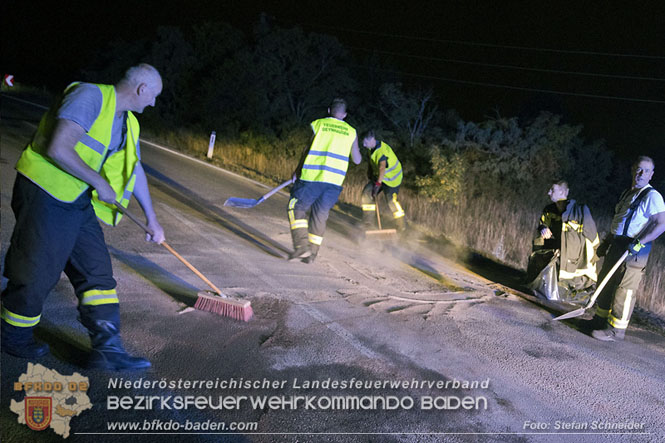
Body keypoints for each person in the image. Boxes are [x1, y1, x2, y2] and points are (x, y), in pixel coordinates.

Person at [1, 64, 165, 370]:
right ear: (142, 89)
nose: (153, 103)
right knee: (37, 270)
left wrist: (151, 217)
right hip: (44, 192)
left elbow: (135, 170)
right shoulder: (89, 96)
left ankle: (108, 349)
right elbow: (59, 147)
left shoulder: (129, 124)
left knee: (97, 270)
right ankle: (12, 335)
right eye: (154, 96)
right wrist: (99, 182)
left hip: (76, 199)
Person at [590, 156, 665, 341]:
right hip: (617, 243)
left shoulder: (652, 196)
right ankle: (599, 320)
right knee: (605, 281)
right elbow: (619, 221)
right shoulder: (627, 194)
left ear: (651, 175)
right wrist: (607, 242)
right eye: (638, 169)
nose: (641, 174)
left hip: (635, 248)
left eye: (646, 171)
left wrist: (640, 242)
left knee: (625, 289)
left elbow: (661, 224)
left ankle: (616, 330)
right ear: (632, 169)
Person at [287, 98, 361, 263]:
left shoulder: (319, 124)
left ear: (329, 111)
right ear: (345, 114)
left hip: (312, 178)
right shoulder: (351, 132)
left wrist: (297, 170)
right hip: (334, 183)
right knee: (320, 215)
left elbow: (307, 149)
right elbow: (356, 160)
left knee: (295, 206)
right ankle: (312, 254)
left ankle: (301, 247)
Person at [527, 181, 599, 302]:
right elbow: (542, 224)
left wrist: (592, 261)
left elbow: (593, 239)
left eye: (552, 190)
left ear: (562, 192)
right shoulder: (549, 210)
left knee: (564, 295)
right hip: (556, 256)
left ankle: (580, 290)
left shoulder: (580, 211)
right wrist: (543, 228)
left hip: (574, 263)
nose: (548, 192)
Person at [360, 131, 406, 232]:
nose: (363, 145)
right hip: (380, 177)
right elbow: (372, 161)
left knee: (391, 201)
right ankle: (368, 223)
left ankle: (401, 226)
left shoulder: (382, 151)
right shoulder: (371, 148)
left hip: (392, 179)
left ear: (372, 140)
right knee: (367, 193)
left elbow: (382, 168)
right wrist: (370, 171)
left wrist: (377, 185)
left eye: (365, 143)